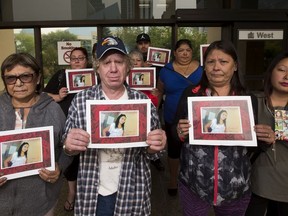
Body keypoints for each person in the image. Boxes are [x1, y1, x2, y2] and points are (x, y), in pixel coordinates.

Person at [62, 36, 166, 215]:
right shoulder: (81, 101)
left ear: (127, 67)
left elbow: (154, 154)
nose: (113, 68)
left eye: (119, 62)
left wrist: (156, 146)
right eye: (106, 62)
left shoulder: (142, 102)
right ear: (97, 68)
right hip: (93, 192)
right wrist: (69, 145)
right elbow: (67, 146)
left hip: (133, 190)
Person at [174, 40, 252, 215]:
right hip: (194, 184)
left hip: (235, 187)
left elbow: (254, 143)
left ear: (235, 66)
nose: (216, 67)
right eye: (210, 62)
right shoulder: (191, 94)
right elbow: (174, 130)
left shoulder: (246, 99)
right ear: (205, 66)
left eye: (223, 62)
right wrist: (179, 132)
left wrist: (264, 138)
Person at [0, 53, 71, 215]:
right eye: (10, 78)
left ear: (38, 78)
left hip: (42, 202)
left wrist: (59, 167)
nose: (18, 83)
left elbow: (66, 147)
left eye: (25, 76)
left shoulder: (53, 109)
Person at [44, 47, 89, 212]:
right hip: (66, 123)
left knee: (88, 160)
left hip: (89, 124)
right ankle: (72, 193)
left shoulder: (95, 76)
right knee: (70, 159)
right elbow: (43, 95)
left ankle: (87, 194)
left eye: (81, 58)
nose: (76, 61)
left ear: (87, 60)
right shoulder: (61, 75)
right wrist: (58, 96)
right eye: (73, 58)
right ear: (69, 61)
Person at [157, 38, 203, 196]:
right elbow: (159, 91)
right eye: (181, 50)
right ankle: (173, 179)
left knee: (196, 149)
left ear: (192, 52)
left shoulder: (201, 69)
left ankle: (196, 178)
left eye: (188, 50)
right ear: (175, 53)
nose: (185, 53)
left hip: (197, 117)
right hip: (172, 116)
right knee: (174, 149)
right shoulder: (166, 70)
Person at [245, 51, 288, 216]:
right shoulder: (252, 102)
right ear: (270, 72)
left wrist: (276, 135)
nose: (286, 76)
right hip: (257, 182)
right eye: (281, 70)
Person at [129, 49, 164, 171]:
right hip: (131, 115)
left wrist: (155, 94)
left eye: (138, 60)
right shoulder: (123, 78)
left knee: (148, 139)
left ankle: (153, 160)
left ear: (143, 63)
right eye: (132, 60)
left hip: (146, 116)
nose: (135, 63)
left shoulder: (149, 78)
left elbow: (154, 104)